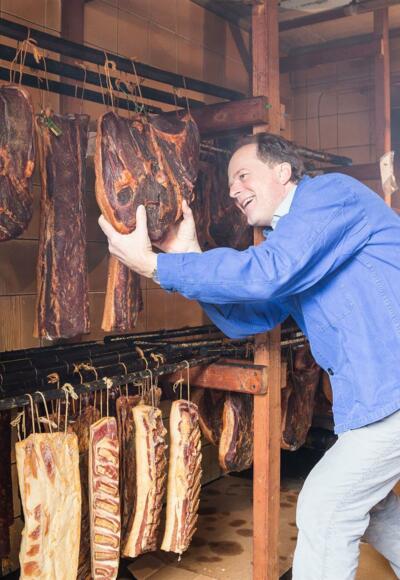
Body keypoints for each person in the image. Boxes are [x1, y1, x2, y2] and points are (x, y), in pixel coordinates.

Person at [99, 133, 400, 580]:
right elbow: (248, 317)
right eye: (229, 184)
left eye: (243, 175)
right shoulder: (292, 243)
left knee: (325, 507)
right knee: (373, 508)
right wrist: (190, 257)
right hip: (374, 398)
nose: (234, 190)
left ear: (283, 172)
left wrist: (157, 267)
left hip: (392, 390)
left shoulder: (329, 195)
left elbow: (266, 274)